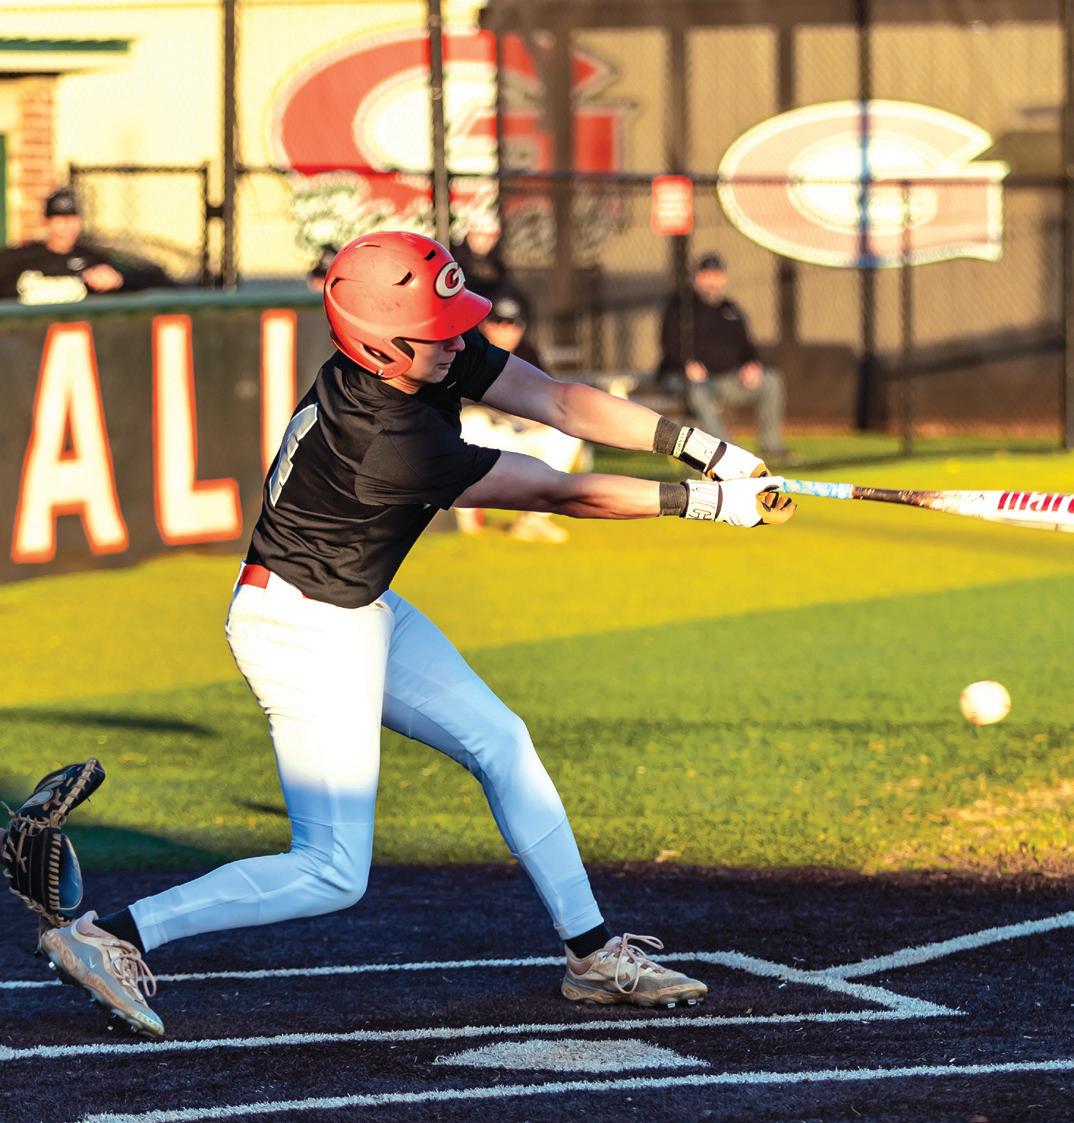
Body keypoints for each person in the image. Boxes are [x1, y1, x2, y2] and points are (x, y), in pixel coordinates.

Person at [38, 231, 794, 1038]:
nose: (460, 340)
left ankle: (592, 955)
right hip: (300, 628)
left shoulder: (420, 355)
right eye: (439, 330)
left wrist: (708, 449)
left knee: (502, 740)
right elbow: (557, 491)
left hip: (356, 605)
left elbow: (561, 401)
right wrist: (708, 504)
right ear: (382, 345)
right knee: (332, 868)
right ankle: (111, 935)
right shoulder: (389, 441)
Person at [459, 286, 584, 543]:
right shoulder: (467, 349)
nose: (505, 330)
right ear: (483, 323)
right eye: (498, 322)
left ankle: (533, 518)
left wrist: (539, 417)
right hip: (485, 430)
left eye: (512, 324)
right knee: (469, 424)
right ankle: (464, 513)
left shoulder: (527, 353)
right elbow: (460, 400)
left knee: (566, 436)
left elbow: (546, 396)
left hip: (516, 431)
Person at [659, 253, 793, 465]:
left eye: (716, 275)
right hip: (686, 379)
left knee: (772, 380)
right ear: (697, 277)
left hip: (725, 380)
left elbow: (747, 347)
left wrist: (751, 365)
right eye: (706, 275)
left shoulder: (730, 308)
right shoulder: (681, 305)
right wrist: (686, 364)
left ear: (723, 278)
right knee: (696, 391)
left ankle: (771, 447)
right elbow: (668, 343)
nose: (711, 281)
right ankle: (726, 453)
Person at [0, 187, 175, 305]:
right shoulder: (21, 258)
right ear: (47, 222)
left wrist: (119, 279)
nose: (67, 227)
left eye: (72, 219)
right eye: (60, 220)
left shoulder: (93, 258)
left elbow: (155, 278)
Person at [449, 214, 507, 298]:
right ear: (467, 236)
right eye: (476, 235)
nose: (481, 241)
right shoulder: (454, 261)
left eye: (488, 236)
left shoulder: (504, 262)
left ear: (496, 237)